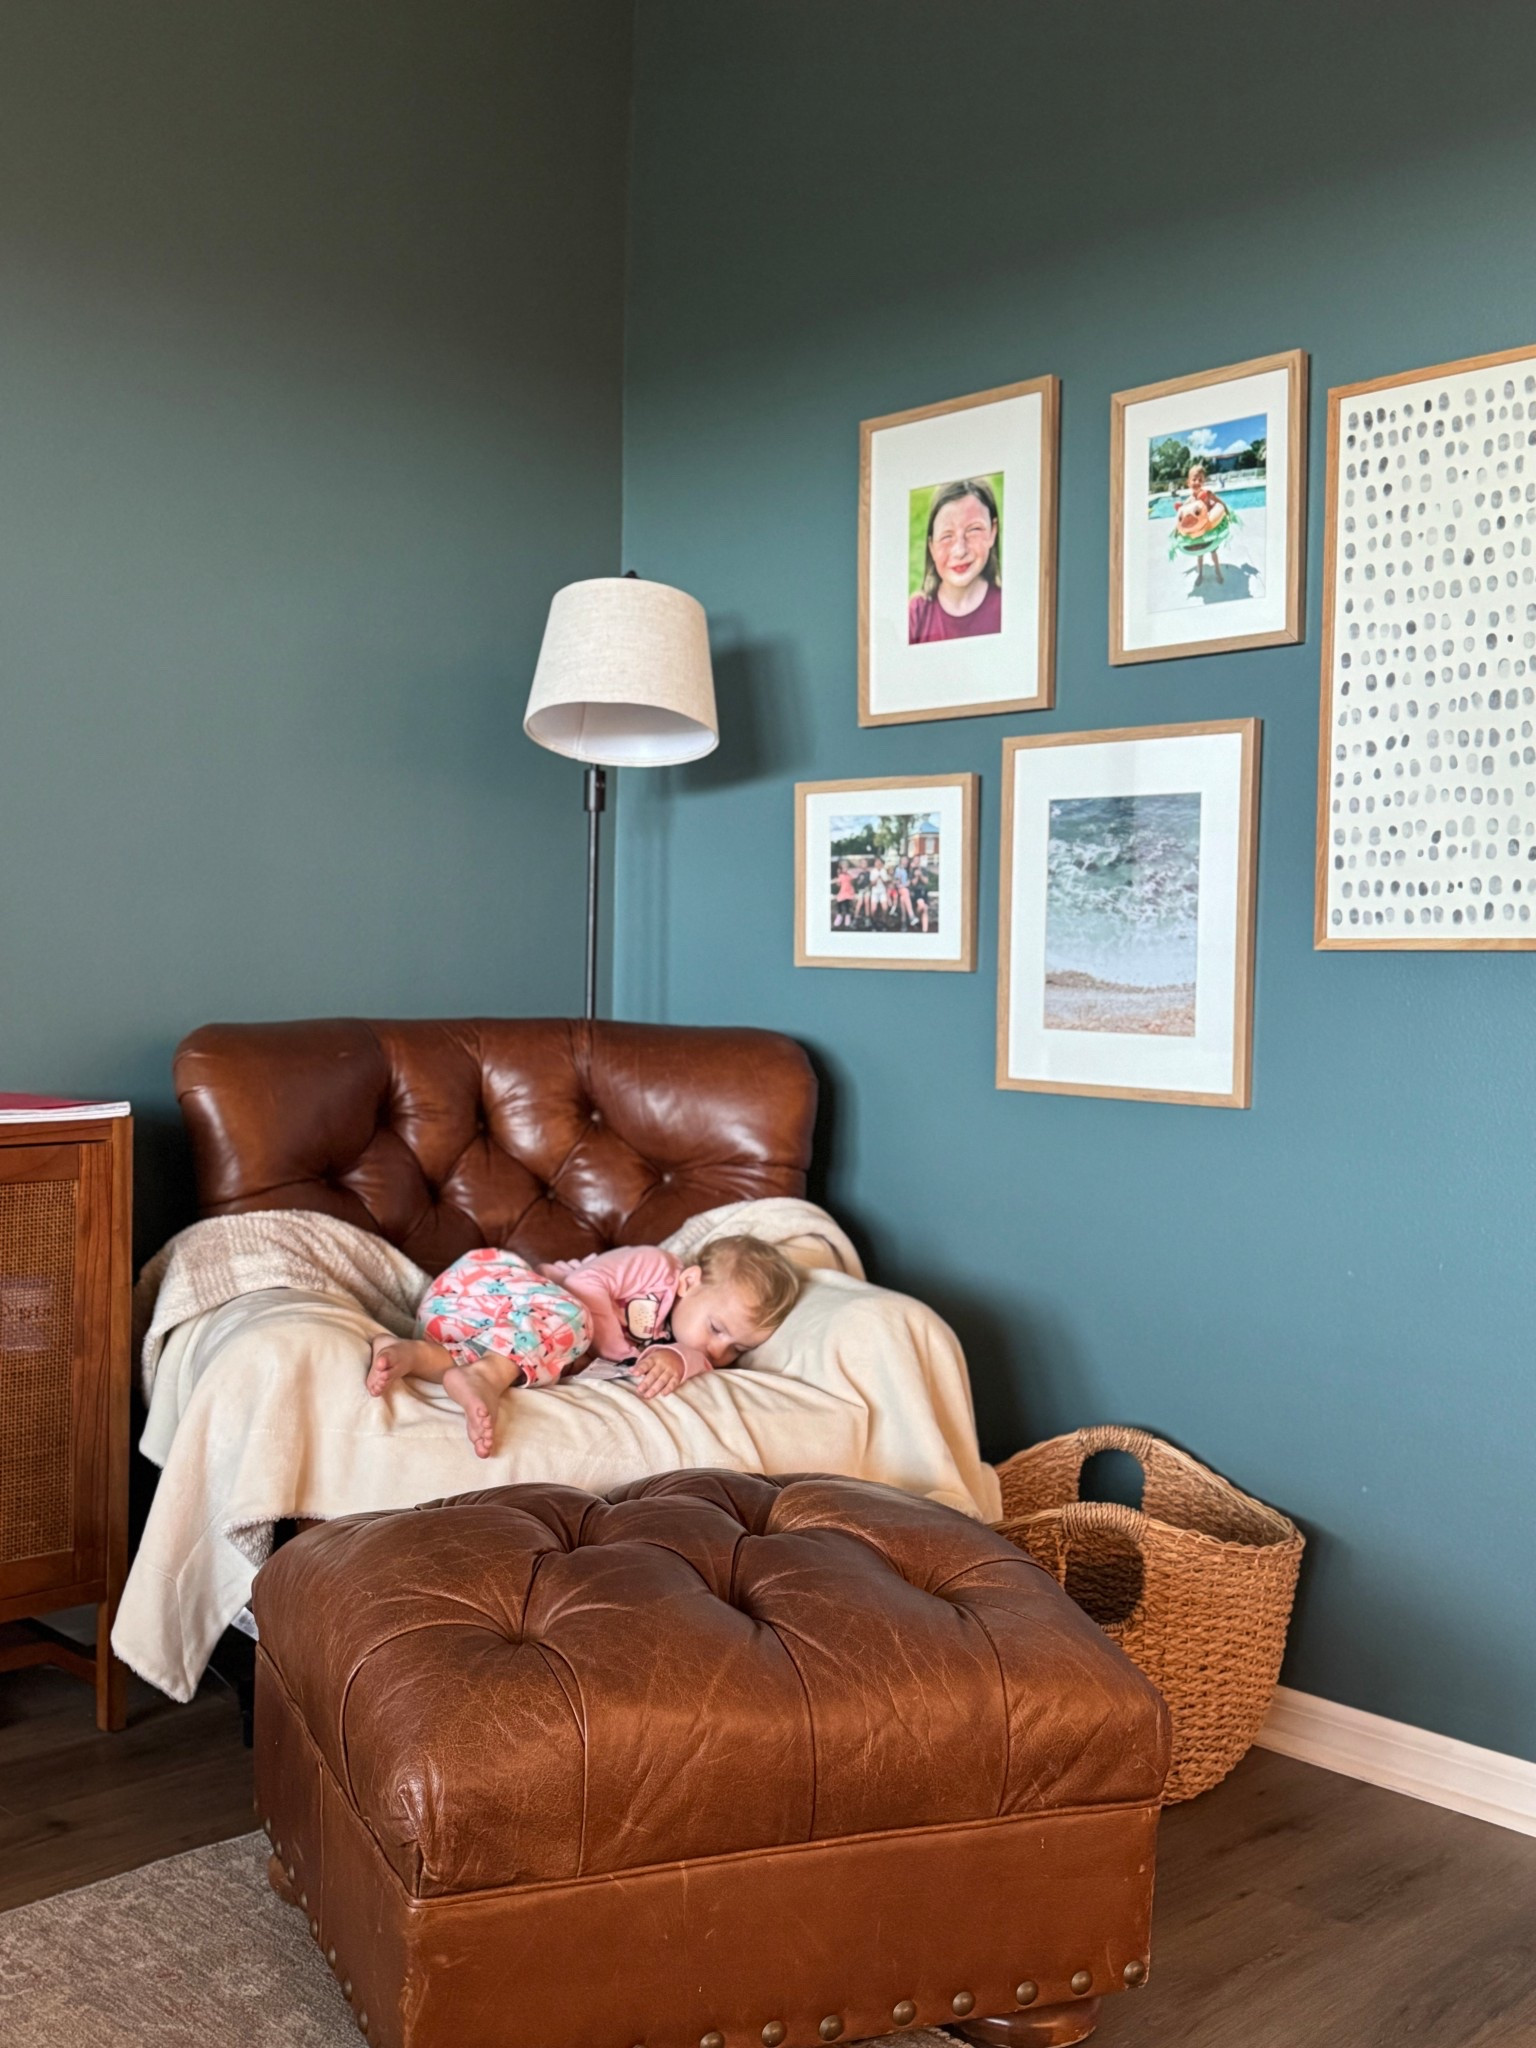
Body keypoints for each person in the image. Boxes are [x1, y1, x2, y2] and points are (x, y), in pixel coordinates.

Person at [365, 1233, 801, 1457]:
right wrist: (615, 1350)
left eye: (738, 1350)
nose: (720, 1354)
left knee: (534, 1362)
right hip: (485, 1288)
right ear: (688, 1283)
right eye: (718, 1330)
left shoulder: (684, 1339)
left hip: (469, 1329)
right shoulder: (657, 1267)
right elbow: (584, 1284)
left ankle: (409, 1354)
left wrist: (683, 1356)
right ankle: (484, 1377)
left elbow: (690, 1361)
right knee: (574, 1320)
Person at [907, 478, 1003, 643]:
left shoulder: (1007, 608)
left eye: (974, 530)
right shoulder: (916, 615)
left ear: (992, 532)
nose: (960, 551)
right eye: (947, 536)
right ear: (931, 546)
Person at [1168, 462, 1238, 586]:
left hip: (1210, 530)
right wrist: (1176, 530)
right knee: (1199, 556)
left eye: (1200, 479)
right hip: (1197, 534)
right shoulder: (1189, 501)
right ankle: (1200, 574)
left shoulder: (1208, 494)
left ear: (1203, 482)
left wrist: (1227, 514)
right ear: (1188, 482)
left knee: (1213, 552)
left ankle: (1218, 571)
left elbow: (1220, 503)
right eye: (1194, 479)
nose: (1197, 482)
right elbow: (1182, 519)